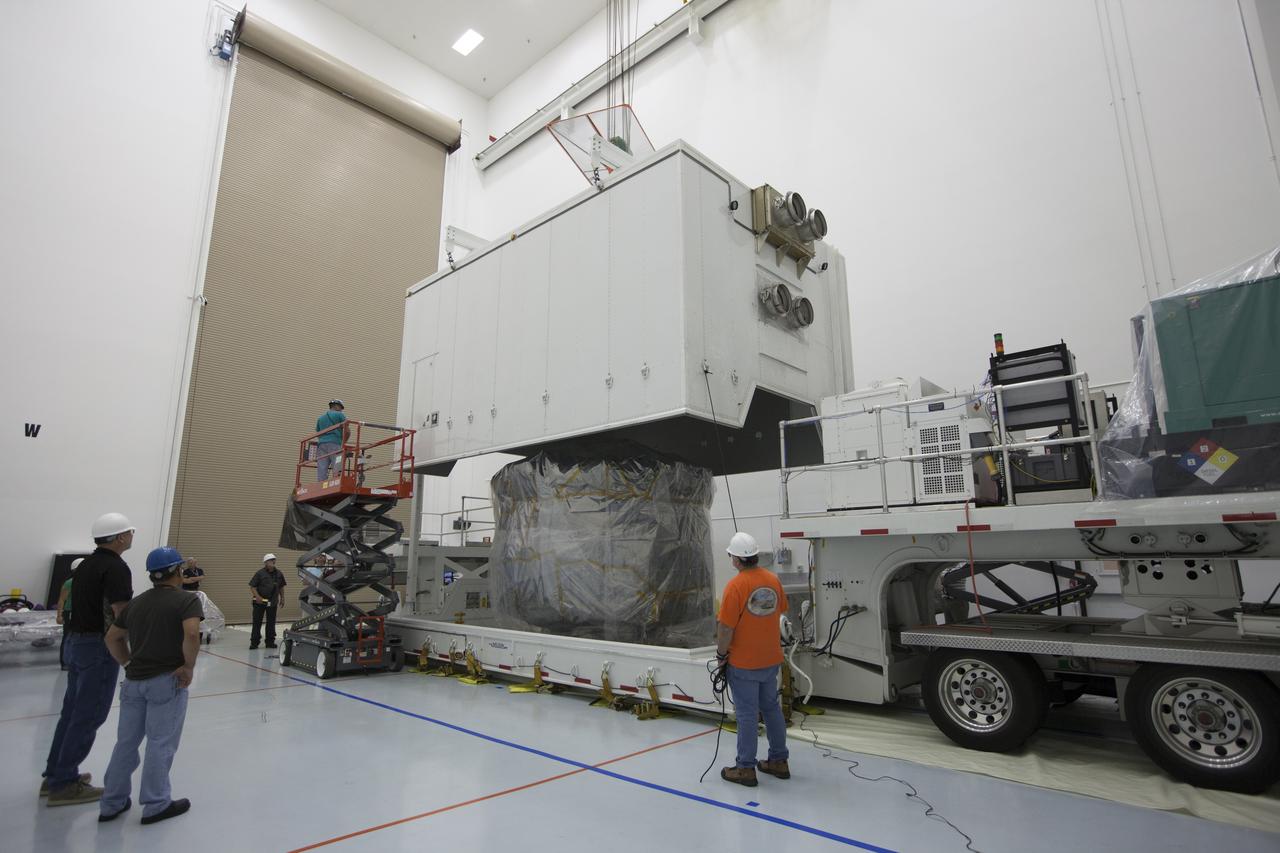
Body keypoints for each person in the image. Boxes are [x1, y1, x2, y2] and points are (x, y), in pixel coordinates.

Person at [98, 547, 201, 825]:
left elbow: (112, 638)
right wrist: (188, 667)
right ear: (178, 571)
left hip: (133, 683)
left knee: (126, 743)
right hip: (165, 682)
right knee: (160, 743)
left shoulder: (136, 603)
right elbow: (191, 633)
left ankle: (111, 802)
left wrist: (128, 664)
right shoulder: (186, 601)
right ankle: (156, 803)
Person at [42, 513, 135, 806]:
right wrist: (131, 653)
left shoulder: (86, 566)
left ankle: (55, 774)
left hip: (76, 643)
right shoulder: (115, 568)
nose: (132, 535)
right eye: (129, 532)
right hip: (98, 647)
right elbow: (122, 613)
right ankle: (64, 784)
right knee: (90, 713)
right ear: (120, 537)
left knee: (71, 711)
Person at [717, 531, 790, 787]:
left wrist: (721, 655)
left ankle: (745, 768)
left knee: (747, 714)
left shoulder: (735, 586)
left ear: (736, 559)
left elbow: (725, 628)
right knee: (771, 708)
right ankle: (779, 761)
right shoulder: (773, 580)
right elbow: (780, 610)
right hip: (771, 660)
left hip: (744, 663)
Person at [248, 553, 287, 650]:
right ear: (265, 562)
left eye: (274, 560)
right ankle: (254, 642)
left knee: (271, 622)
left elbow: (281, 586)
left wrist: (282, 598)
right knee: (257, 622)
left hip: (272, 602)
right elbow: (253, 587)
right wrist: (257, 597)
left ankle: (270, 642)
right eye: (270, 560)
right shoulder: (260, 573)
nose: (273, 561)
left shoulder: (279, 573)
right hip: (259, 602)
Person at [56, 558, 84, 671]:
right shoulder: (70, 583)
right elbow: (62, 600)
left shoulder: (88, 582)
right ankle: (65, 662)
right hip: (71, 612)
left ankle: (76, 660)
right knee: (68, 636)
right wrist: (59, 615)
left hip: (82, 612)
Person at [315, 399, 348, 481]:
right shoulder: (339, 415)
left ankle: (321, 484)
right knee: (337, 464)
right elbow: (347, 431)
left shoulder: (321, 418)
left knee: (322, 467)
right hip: (335, 443)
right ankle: (337, 481)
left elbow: (318, 433)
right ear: (336, 406)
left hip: (321, 445)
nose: (341, 410)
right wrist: (344, 442)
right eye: (341, 407)